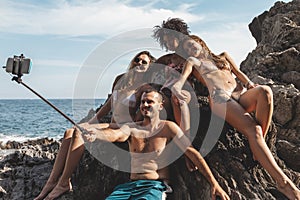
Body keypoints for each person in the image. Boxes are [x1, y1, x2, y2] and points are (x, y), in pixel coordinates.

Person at [171, 34, 300, 200]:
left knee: (265, 92)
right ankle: (284, 184)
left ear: (200, 42)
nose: (191, 49)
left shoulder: (223, 56)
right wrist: (176, 88)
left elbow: (238, 73)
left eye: (192, 44)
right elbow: (181, 79)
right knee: (253, 130)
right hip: (219, 98)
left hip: (240, 94)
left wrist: (249, 85)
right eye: (187, 49)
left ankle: (258, 148)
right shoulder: (193, 62)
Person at [34, 51, 156, 200]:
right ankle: (51, 181)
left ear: (149, 67)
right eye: (138, 59)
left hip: (123, 129)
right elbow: (109, 104)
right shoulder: (121, 80)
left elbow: (141, 115)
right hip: (111, 124)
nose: (140, 63)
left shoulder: (145, 88)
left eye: (144, 62)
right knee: (69, 132)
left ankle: (64, 182)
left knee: (79, 134)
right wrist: (92, 122)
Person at [83, 87, 230, 200]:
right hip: (128, 187)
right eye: (142, 102)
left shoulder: (168, 128)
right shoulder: (132, 127)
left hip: (155, 186)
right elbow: (115, 135)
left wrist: (214, 184)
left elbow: (192, 153)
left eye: (150, 102)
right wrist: (97, 134)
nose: (145, 105)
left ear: (160, 106)